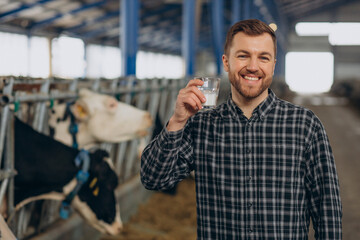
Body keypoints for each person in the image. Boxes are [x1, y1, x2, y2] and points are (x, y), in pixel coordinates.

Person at [140, 19, 342, 239]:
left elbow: (327, 209)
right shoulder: (202, 126)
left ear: (273, 64)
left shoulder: (305, 125)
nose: (253, 66)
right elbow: (154, 178)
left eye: (263, 57)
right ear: (226, 63)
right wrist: (177, 121)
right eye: (243, 55)